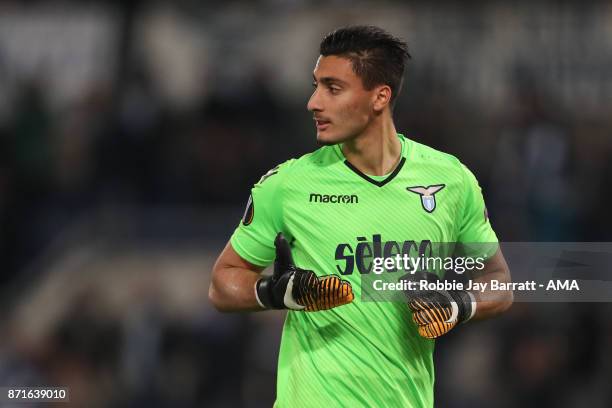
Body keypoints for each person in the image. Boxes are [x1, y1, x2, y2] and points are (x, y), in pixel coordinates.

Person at [209, 25, 513, 407]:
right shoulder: (287, 185)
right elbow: (222, 284)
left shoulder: (451, 180)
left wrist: (460, 305)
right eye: (316, 85)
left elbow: (499, 281)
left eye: (332, 88)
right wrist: (274, 292)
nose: (313, 102)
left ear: (379, 97)